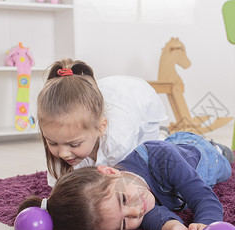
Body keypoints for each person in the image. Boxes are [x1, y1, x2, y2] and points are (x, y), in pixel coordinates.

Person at [18, 132, 233, 230]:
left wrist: (205, 226)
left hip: (197, 154)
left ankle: (215, 146)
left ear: (110, 171)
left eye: (123, 199)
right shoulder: (130, 204)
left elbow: (203, 197)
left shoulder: (164, 160)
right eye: (123, 224)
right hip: (170, 156)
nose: (136, 211)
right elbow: (155, 218)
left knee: (226, 167)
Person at [37, 58, 168, 187]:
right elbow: (59, 188)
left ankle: (162, 136)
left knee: (150, 160)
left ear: (101, 127)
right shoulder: (60, 137)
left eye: (74, 144)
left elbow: (128, 185)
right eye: (52, 143)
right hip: (109, 96)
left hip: (140, 99)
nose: (63, 153)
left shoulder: (119, 141)